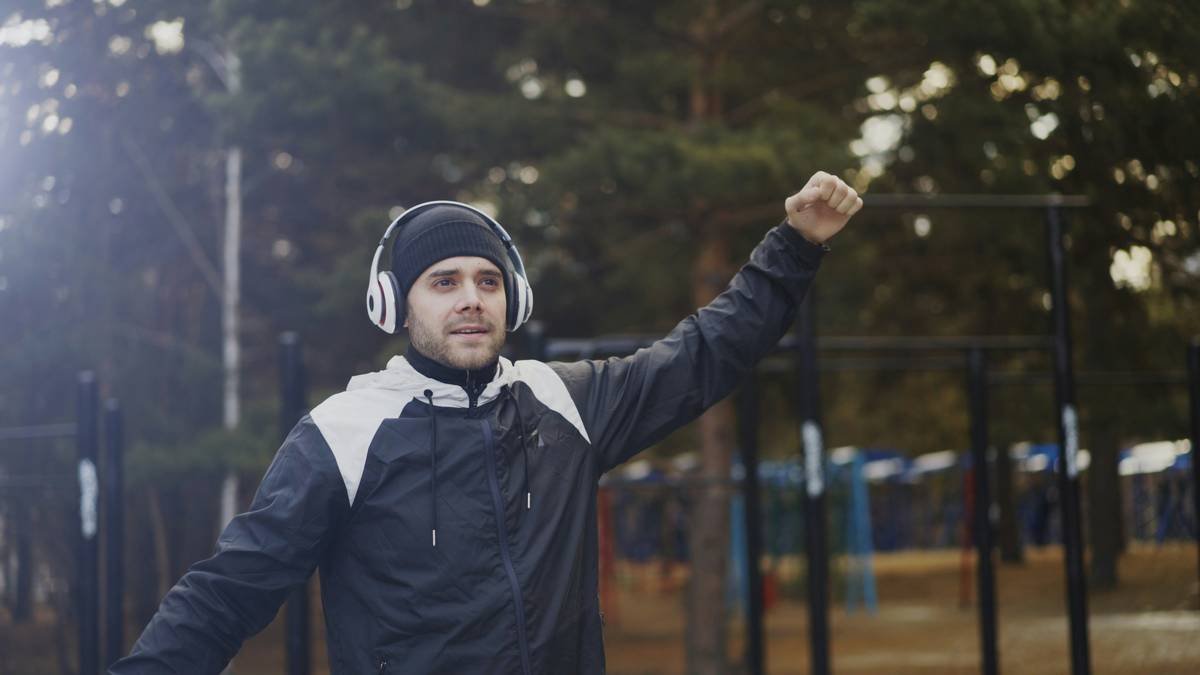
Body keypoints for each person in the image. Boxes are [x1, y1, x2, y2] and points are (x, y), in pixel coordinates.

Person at [111, 171, 862, 674]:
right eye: (443, 282)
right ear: (395, 305)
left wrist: (794, 247)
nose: (471, 298)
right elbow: (229, 589)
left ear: (514, 300)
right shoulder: (343, 432)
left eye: (487, 281)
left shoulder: (565, 402)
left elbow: (704, 355)